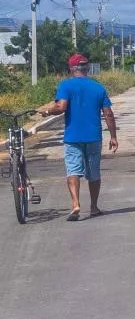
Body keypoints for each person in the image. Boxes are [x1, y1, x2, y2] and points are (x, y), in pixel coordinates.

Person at [39, 53, 119, 221]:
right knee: (94, 173)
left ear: (71, 68)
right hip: (93, 137)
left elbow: (61, 107)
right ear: (87, 68)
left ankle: (75, 204)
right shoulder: (98, 87)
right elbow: (108, 114)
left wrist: (47, 111)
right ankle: (94, 207)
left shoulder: (66, 85)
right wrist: (113, 137)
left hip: (73, 138)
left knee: (73, 171)